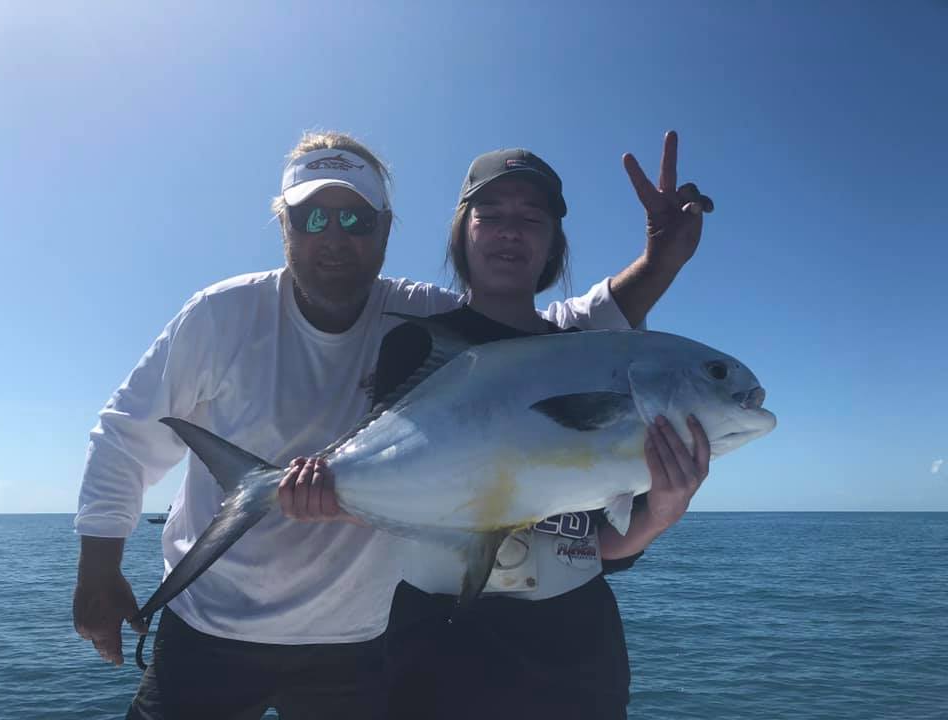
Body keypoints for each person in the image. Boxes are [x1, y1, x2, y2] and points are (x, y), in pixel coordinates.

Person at [72, 130, 696, 720]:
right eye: (312, 217)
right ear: (283, 225)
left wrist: (661, 262)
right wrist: (99, 569)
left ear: (387, 229)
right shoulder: (222, 314)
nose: (334, 237)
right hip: (210, 623)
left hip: (357, 640)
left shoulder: (421, 314)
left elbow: (560, 337)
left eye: (356, 219)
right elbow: (128, 431)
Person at [279, 140, 713, 719]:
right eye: (491, 216)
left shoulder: (586, 358)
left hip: (576, 648)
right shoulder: (417, 345)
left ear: (554, 245)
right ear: (462, 233)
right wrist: (327, 496)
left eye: (532, 219)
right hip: (438, 642)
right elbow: (404, 486)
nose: (511, 231)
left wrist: (661, 513)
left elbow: (600, 545)